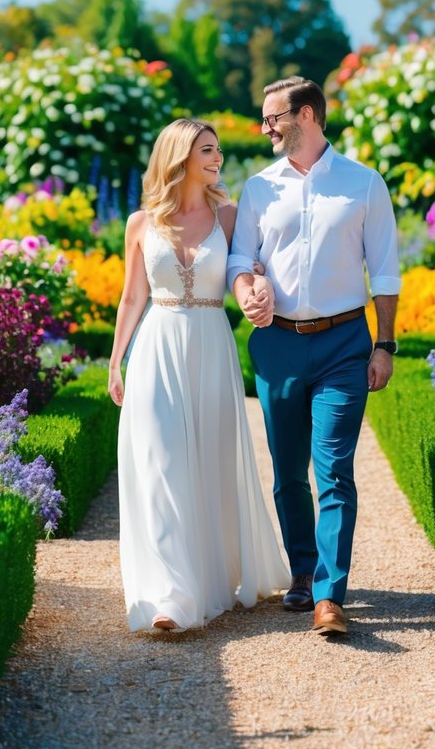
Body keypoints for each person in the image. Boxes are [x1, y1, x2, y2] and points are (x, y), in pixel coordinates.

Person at [227, 77, 401, 636]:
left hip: (343, 346)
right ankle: (301, 571)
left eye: (273, 117)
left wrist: (385, 343)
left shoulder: (364, 184)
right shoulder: (258, 188)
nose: (266, 128)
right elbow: (239, 259)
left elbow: (387, 271)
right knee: (287, 472)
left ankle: (330, 594)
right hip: (276, 344)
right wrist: (248, 287)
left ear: (306, 114)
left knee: (333, 469)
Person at [108, 118, 290, 633]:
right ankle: (171, 598)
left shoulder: (230, 216)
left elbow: (249, 273)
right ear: (179, 156)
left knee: (209, 464)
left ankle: (209, 580)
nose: (217, 159)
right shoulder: (141, 224)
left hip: (211, 347)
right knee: (161, 463)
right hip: (156, 348)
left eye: (217, 151)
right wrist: (115, 360)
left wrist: (259, 291)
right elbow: (132, 297)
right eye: (207, 150)